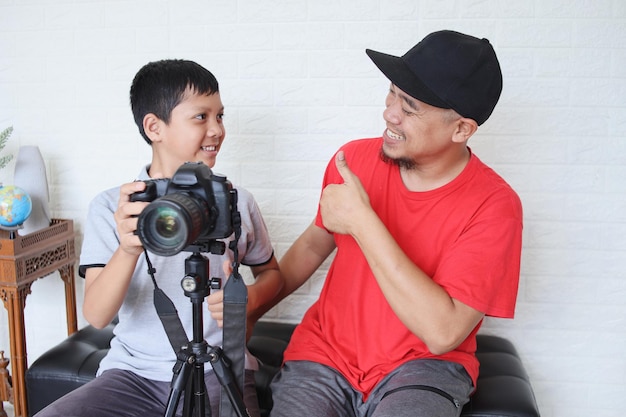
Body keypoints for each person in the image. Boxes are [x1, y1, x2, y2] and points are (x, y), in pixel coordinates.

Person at [268, 30, 523, 417]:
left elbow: (443, 334)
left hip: (423, 367)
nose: (390, 112)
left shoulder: (494, 206)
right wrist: (250, 308)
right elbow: (313, 244)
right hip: (324, 354)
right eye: (391, 92)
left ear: (461, 130)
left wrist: (363, 221)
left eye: (410, 106)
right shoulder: (352, 160)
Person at [35, 59, 282, 417]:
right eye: (201, 117)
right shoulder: (114, 207)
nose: (217, 130)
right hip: (132, 375)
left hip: (220, 367)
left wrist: (246, 302)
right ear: (154, 127)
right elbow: (98, 315)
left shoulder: (234, 200)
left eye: (220, 116)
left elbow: (273, 274)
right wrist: (129, 246)